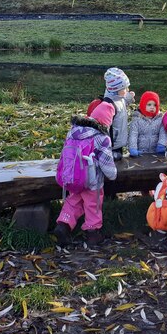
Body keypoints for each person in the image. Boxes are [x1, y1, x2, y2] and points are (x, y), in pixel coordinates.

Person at [53, 101, 118, 247]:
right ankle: (93, 234)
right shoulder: (102, 138)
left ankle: (63, 224)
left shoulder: (73, 132)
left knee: (73, 200)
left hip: (72, 177)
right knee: (93, 205)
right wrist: (113, 174)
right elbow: (107, 165)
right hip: (91, 181)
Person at [103, 67, 135, 161]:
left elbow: (123, 102)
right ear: (116, 89)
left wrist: (128, 97)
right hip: (113, 143)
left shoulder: (118, 98)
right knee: (114, 162)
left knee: (119, 159)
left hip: (118, 141)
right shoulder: (109, 104)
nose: (128, 89)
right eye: (125, 88)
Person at [128, 91, 167, 157]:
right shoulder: (137, 120)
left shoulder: (160, 119)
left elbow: (163, 133)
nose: (152, 107)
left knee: (158, 167)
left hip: (156, 152)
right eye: (149, 105)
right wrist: (133, 148)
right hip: (140, 152)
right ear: (143, 105)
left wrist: (162, 144)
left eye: (155, 105)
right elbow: (133, 134)